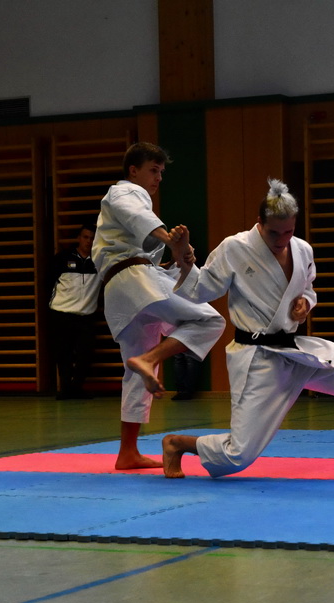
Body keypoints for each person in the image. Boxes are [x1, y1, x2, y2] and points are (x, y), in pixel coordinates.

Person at [162, 178, 334, 479]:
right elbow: (201, 290)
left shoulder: (302, 250)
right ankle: (176, 443)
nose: (282, 239)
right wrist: (183, 259)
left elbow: (308, 288)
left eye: (289, 231)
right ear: (259, 221)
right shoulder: (235, 247)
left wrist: (306, 304)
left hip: (294, 349)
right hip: (257, 357)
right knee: (238, 455)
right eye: (274, 232)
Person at [91, 142, 226, 470]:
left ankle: (127, 452)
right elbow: (138, 218)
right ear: (133, 170)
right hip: (134, 280)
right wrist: (170, 240)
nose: (158, 177)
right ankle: (149, 359)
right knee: (210, 320)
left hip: (123, 289)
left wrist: (179, 257)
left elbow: (147, 255)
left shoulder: (133, 208)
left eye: (162, 172)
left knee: (135, 374)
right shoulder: (123, 192)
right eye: (154, 170)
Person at [49, 222, 103, 400]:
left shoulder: (100, 261)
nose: (89, 241)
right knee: (63, 354)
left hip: (86, 317)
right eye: (85, 237)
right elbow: (48, 284)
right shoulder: (62, 258)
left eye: (92, 238)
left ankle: (76, 389)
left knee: (85, 356)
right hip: (61, 314)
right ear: (79, 238)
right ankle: (65, 390)